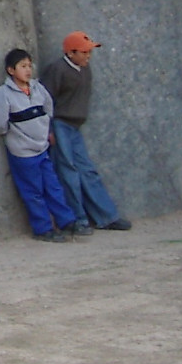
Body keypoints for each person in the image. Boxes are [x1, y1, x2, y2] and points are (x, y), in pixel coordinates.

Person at [0, 49, 79, 242]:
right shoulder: (4, 94)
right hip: (23, 152)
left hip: (42, 147)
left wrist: (47, 130)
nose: (28, 70)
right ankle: (43, 229)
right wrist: (7, 131)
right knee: (33, 191)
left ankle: (66, 221)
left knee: (53, 186)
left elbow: (48, 108)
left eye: (29, 66)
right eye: (23, 66)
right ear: (11, 70)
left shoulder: (37, 88)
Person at [40, 31, 132, 233]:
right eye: (84, 52)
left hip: (74, 127)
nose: (88, 56)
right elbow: (44, 101)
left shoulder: (84, 69)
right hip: (60, 124)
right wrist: (47, 130)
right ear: (71, 53)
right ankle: (77, 220)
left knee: (87, 171)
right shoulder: (57, 70)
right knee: (68, 172)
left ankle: (106, 217)